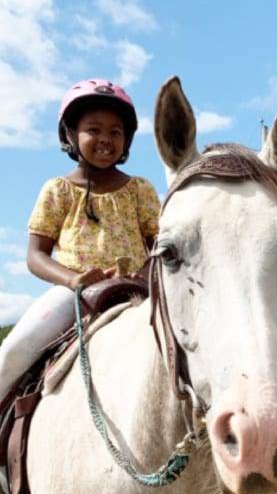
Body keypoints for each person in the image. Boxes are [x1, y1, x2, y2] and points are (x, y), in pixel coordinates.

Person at [0, 79, 161, 403]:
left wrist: (145, 275)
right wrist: (73, 280)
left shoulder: (140, 190)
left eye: (116, 132)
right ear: (71, 135)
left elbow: (159, 245)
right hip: (74, 293)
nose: (105, 139)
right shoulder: (58, 189)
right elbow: (36, 256)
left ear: (127, 139)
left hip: (139, 290)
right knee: (13, 352)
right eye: (94, 130)